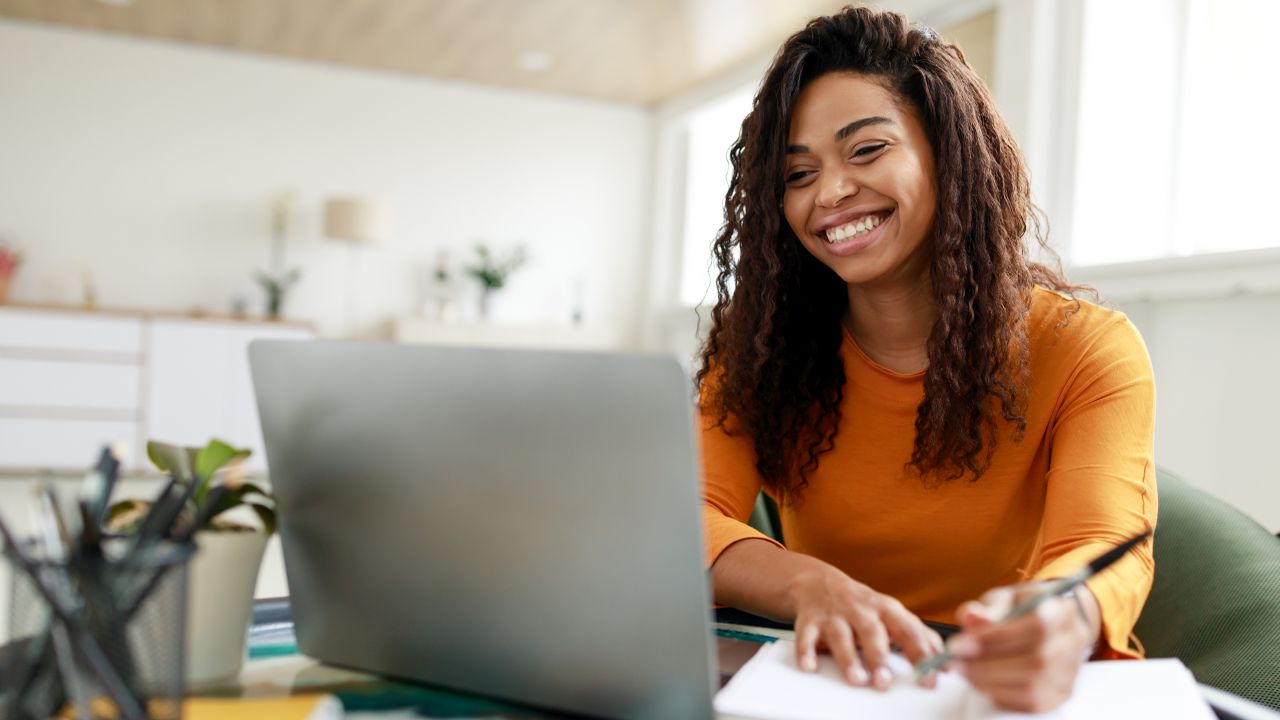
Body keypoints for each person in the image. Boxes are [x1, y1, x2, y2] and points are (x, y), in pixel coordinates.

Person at [696, 6, 1156, 713]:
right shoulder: (760, 349)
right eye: (797, 174)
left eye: (867, 150)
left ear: (949, 151)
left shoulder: (1088, 348)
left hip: (998, 695)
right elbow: (686, 515)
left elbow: (1103, 545)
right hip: (828, 688)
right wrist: (809, 584)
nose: (831, 193)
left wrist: (1062, 618)